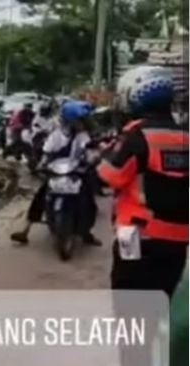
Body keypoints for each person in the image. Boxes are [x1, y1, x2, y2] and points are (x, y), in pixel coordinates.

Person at [97, 65, 188, 299]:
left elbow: (109, 176)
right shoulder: (185, 136)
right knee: (162, 297)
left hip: (138, 235)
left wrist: (107, 153)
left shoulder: (137, 135)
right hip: (178, 238)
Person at [10, 100, 100, 245]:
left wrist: (92, 158)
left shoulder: (83, 136)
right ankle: (25, 230)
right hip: (57, 172)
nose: (82, 123)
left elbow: (90, 151)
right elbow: (46, 151)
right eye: (80, 120)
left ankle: (86, 233)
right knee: (40, 196)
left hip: (77, 172)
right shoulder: (56, 135)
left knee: (88, 198)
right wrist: (42, 163)